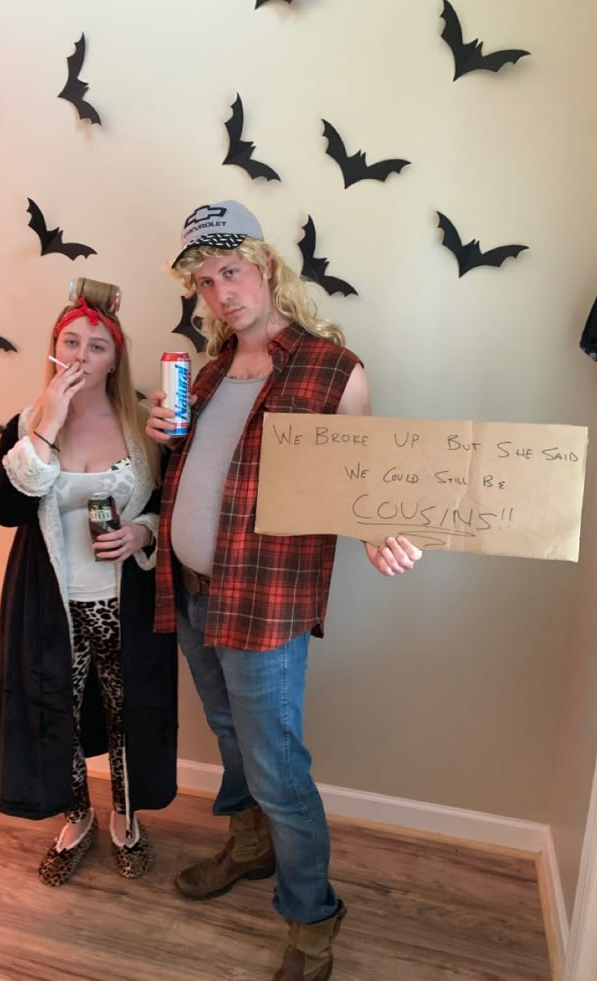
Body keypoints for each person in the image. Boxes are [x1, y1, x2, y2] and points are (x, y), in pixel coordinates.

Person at [146, 202, 422, 981]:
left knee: (277, 767)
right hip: (194, 588)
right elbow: (200, 479)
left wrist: (378, 531)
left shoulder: (337, 370)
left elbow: (359, 483)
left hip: (266, 602)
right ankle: (251, 844)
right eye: (205, 281)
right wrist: (164, 444)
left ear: (265, 266)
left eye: (230, 271)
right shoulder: (203, 375)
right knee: (232, 735)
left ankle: (311, 919)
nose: (220, 293)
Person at [0, 277, 178, 887]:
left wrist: (143, 533)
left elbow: (170, 508)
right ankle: (76, 817)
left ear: (116, 358)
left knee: (128, 713)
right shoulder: (26, 424)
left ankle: (125, 818)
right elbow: (1, 507)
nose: (81, 357)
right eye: (71, 343)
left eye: (96, 346)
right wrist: (47, 424)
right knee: (55, 709)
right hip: (48, 602)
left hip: (126, 601)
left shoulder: (148, 423)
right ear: (53, 348)